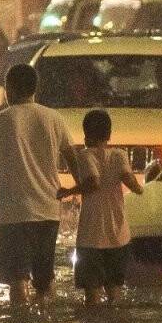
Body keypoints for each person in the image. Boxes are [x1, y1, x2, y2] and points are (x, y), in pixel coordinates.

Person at [0, 64, 85, 306]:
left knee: (17, 281)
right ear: (35, 89)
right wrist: (81, 188)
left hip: (14, 216)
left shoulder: (0, 121)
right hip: (49, 213)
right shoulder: (54, 119)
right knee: (44, 282)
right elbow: (73, 159)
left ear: (10, 89)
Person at [58, 110, 143, 306]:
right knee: (115, 292)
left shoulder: (86, 155)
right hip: (118, 235)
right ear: (109, 135)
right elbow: (134, 186)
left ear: (86, 136)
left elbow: (93, 183)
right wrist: (144, 185)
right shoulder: (120, 155)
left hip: (92, 237)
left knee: (92, 295)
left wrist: (68, 191)